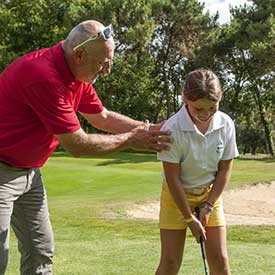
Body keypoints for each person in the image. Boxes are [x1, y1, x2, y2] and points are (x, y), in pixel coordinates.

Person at [0, 20, 172, 275]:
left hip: (30, 173)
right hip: (2, 172)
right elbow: (78, 144)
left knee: (40, 251)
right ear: (79, 54)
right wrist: (130, 140)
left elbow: (101, 117)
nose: (107, 70)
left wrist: (150, 130)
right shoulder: (43, 77)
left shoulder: (77, 74)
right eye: (103, 63)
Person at [155, 69, 239, 275]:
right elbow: (172, 177)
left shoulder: (225, 124)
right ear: (185, 99)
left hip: (209, 194)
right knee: (171, 262)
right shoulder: (172, 128)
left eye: (212, 107)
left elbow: (225, 168)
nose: (205, 114)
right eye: (198, 108)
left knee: (220, 259)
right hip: (176, 196)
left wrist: (209, 206)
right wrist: (189, 218)